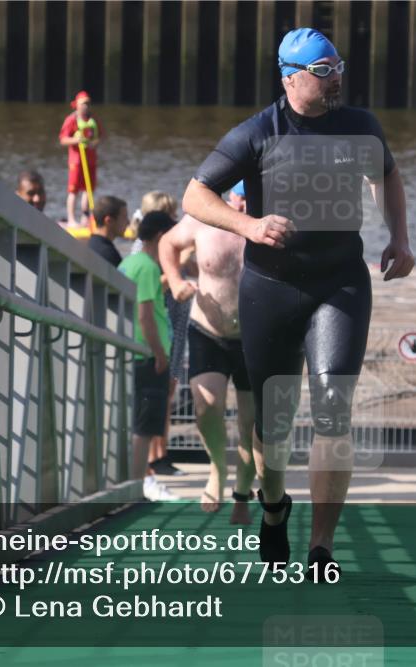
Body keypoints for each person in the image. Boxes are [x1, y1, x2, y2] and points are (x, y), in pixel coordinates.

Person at [182, 28, 414, 581]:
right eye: (323, 71)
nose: (336, 79)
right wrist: (250, 224)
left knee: (334, 410)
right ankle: (275, 505)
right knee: (273, 422)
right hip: (271, 289)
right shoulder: (259, 132)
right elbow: (196, 194)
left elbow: (387, 174)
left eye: (338, 67)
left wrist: (399, 237)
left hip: (340, 284)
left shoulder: (360, 125)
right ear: (290, 77)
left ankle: (321, 547)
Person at [159, 182, 255, 524]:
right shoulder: (203, 220)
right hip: (209, 332)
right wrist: (174, 279)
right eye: (241, 197)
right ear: (230, 196)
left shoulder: (269, 223)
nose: (244, 206)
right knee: (206, 406)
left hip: (254, 338)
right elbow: (168, 243)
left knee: (251, 425)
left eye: (252, 197)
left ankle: (242, 493)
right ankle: (217, 468)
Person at [119, 211, 180, 502]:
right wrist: (160, 354)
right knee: (144, 427)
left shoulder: (129, 261)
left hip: (135, 353)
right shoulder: (146, 267)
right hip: (147, 355)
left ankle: (135, 482)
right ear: (160, 237)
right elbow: (145, 315)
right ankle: (137, 487)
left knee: (137, 424)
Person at [59, 90, 101, 226]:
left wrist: (95, 142)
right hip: (76, 160)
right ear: (76, 105)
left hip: (91, 160)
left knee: (88, 190)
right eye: (83, 104)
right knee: (73, 190)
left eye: (88, 104)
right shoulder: (71, 120)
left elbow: (100, 136)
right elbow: (63, 139)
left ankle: (86, 218)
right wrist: (75, 140)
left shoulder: (93, 119)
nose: (86, 107)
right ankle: (71, 219)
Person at [87, 195, 128, 267]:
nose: (128, 222)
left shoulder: (90, 245)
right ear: (109, 221)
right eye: (124, 217)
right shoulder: (109, 254)